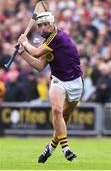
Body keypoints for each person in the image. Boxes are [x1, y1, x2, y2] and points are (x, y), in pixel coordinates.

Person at [18, 11, 83, 163]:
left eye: (42, 25)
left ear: (50, 24)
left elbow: (35, 51)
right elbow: (40, 65)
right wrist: (22, 53)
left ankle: (51, 147)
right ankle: (66, 149)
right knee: (57, 110)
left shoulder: (57, 38)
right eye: (38, 25)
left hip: (75, 81)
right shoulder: (48, 42)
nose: (40, 28)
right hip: (58, 80)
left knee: (65, 116)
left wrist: (25, 42)